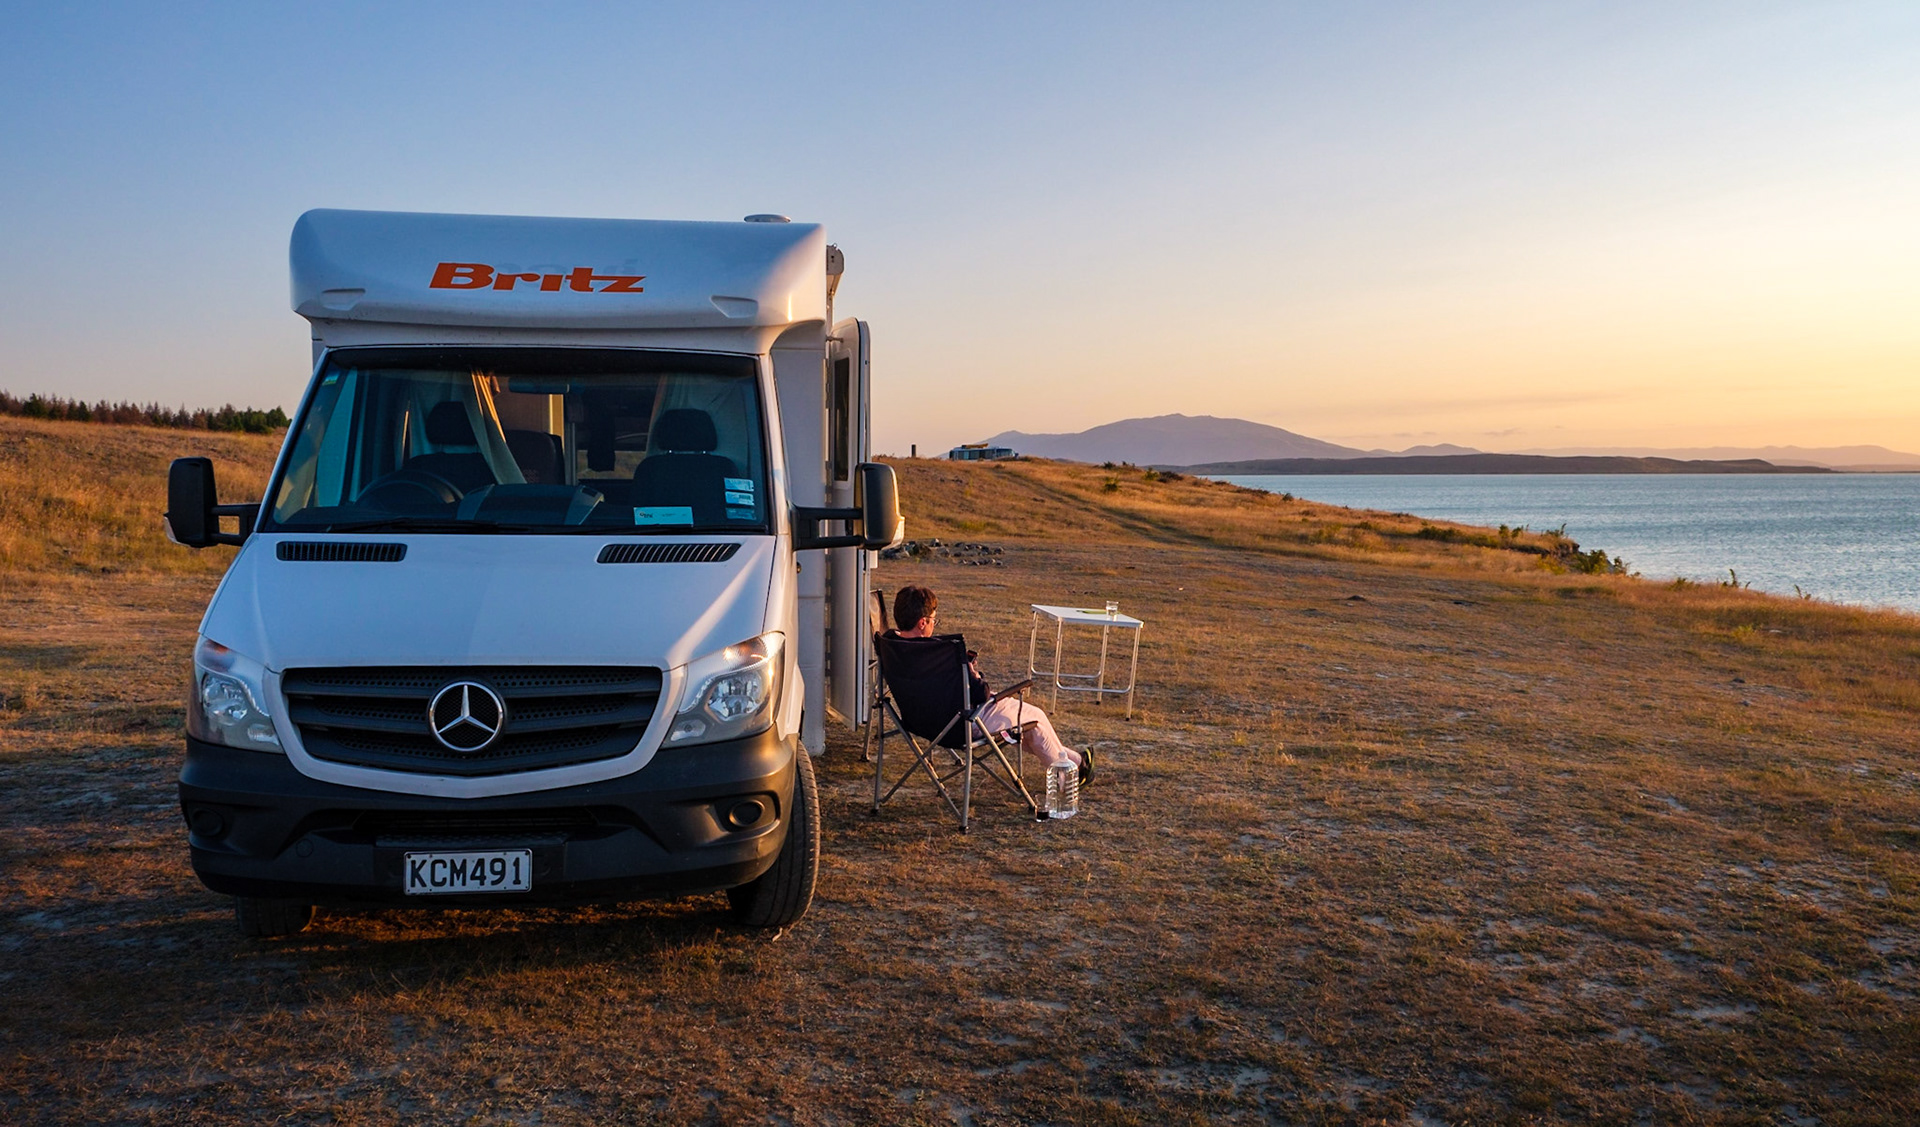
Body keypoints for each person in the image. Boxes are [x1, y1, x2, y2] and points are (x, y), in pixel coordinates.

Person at [891, 585, 1092, 784]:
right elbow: (982, 694)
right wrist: (975, 675)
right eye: (934, 620)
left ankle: (1076, 761)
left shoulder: (891, 647)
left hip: (921, 722)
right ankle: (1068, 778)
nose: (935, 625)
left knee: (1028, 727)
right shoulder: (939, 654)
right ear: (922, 623)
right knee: (1036, 719)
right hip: (963, 723)